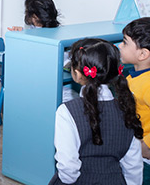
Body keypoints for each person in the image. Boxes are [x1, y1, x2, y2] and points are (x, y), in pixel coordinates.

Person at [50, 38, 143, 184]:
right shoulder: (126, 108)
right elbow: (133, 166)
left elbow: (68, 169)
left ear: (77, 74)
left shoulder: (66, 111)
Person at [121, 18, 150, 183]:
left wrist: (147, 145)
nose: (120, 46)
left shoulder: (148, 83)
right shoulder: (134, 76)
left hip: (144, 156)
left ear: (143, 54)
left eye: (125, 43)